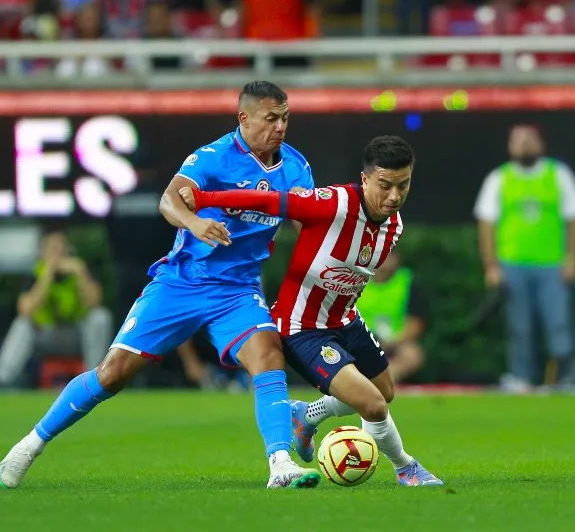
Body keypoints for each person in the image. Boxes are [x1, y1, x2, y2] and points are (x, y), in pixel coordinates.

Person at [0, 81, 320, 490]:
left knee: (268, 357)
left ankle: (280, 464)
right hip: (182, 283)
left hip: (237, 291)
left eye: (285, 118)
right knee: (112, 374)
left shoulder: (295, 166)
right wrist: (196, 221)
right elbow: (169, 201)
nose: (280, 127)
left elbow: (307, 223)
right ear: (245, 118)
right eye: (271, 118)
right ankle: (30, 444)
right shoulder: (213, 157)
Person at [179, 135, 443, 487]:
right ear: (365, 179)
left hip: (346, 320)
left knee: (386, 390)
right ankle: (405, 467)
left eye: (403, 185)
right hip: (301, 326)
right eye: (385, 185)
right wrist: (203, 198)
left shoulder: (394, 226)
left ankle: (306, 415)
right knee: (374, 405)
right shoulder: (332, 203)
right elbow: (269, 202)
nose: (394, 196)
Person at [474, 124, 575, 391]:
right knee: (519, 325)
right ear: (510, 147)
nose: (524, 145)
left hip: (553, 263)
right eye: (518, 141)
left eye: (529, 140)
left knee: (559, 321)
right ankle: (522, 376)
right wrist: (491, 265)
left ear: (541, 144)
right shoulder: (499, 179)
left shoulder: (558, 174)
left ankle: (566, 376)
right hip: (512, 263)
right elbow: (486, 224)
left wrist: (572, 258)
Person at [106, 144, 207, 387]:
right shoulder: (162, 199)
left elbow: (111, 239)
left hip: (125, 274)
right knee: (171, 324)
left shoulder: (119, 201)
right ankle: (177, 375)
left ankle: (129, 378)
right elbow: (175, 236)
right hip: (158, 272)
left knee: (129, 328)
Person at [0, 228, 114, 386]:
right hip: (45, 336)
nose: (58, 253)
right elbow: (25, 310)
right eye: (52, 248)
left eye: (61, 248)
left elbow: (95, 301)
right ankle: (1, 381)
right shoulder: (35, 272)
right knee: (22, 324)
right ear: (42, 252)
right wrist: (48, 273)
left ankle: (95, 382)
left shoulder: (79, 268)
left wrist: (80, 272)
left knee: (100, 317)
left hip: (76, 335)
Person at [356, 250, 427, 383]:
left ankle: (378, 382)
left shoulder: (406, 281)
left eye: (387, 257)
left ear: (396, 259)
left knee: (413, 355)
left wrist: (394, 342)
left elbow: (415, 323)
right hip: (362, 342)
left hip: (395, 342)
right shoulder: (355, 281)